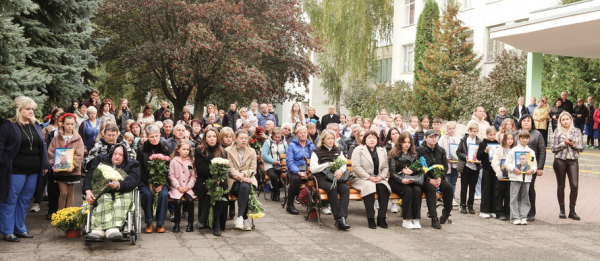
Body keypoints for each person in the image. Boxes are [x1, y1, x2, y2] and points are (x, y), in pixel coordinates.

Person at [0, 96, 50, 242]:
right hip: (15, 170)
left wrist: (45, 164)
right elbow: (1, 147)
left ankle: (19, 228)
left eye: (32, 109)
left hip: (33, 171)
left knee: (24, 200)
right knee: (10, 200)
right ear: (19, 110)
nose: (31, 112)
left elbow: (42, 146)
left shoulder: (35, 124)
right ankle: (8, 231)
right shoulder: (8, 126)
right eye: (28, 109)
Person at [83, 144, 140, 241]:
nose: (117, 156)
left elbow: (133, 181)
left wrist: (119, 184)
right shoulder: (101, 160)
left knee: (121, 200)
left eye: (120, 154)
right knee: (103, 198)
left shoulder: (133, 164)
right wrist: (87, 191)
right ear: (111, 154)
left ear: (125, 156)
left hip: (122, 191)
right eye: (115, 153)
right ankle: (98, 230)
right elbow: (90, 176)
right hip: (103, 192)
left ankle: (113, 229)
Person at [310, 129, 350, 230]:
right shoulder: (316, 152)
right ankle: (337, 219)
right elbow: (313, 169)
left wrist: (341, 170)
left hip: (336, 177)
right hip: (322, 178)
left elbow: (344, 164)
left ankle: (342, 217)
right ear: (323, 140)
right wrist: (326, 164)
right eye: (328, 139)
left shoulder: (338, 150)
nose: (331, 141)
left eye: (332, 138)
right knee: (333, 188)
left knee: (345, 189)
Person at [350, 130, 391, 229]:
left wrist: (381, 177)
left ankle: (381, 218)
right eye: (369, 137)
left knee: (384, 187)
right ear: (365, 139)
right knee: (369, 186)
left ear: (377, 140)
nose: (372, 140)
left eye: (374, 138)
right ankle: (371, 218)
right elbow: (356, 166)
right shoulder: (358, 149)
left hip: (378, 178)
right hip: (361, 178)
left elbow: (386, 167)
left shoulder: (382, 150)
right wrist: (369, 178)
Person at [136, 124, 170, 233]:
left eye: (156, 136)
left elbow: (167, 169)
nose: (154, 139)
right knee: (147, 194)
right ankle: (149, 222)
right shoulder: (141, 150)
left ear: (160, 135)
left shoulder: (164, 148)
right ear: (147, 137)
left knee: (163, 194)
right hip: (145, 181)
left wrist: (161, 183)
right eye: (151, 137)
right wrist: (149, 182)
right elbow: (140, 169)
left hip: (162, 181)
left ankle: (160, 223)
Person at [194, 127, 228, 236]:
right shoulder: (200, 150)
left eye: (214, 136)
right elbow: (201, 169)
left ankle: (207, 219)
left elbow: (225, 169)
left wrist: (219, 178)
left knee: (219, 190)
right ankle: (216, 224)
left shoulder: (222, 151)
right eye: (209, 136)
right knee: (211, 188)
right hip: (204, 180)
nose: (212, 139)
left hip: (220, 180)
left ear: (217, 138)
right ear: (205, 139)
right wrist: (215, 175)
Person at [416, 130, 453, 229]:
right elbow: (419, 168)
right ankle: (434, 217)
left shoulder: (441, 150)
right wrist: (429, 179)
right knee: (431, 189)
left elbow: (445, 166)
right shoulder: (420, 150)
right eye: (431, 137)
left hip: (438, 177)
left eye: (435, 137)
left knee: (448, 188)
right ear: (426, 137)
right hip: (425, 179)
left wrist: (440, 178)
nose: (433, 139)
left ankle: (446, 212)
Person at [47, 114, 84, 210]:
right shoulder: (57, 137)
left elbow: (79, 154)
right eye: (67, 124)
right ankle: (61, 214)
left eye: (72, 124)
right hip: (60, 171)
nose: (69, 126)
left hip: (72, 170)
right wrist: (53, 163)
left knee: (70, 192)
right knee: (63, 193)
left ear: (74, 124)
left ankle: (68, 214)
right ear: (63, 124)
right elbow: (51, 151)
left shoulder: (78, 138)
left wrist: (73, 165)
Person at [551, 112, 584, 220]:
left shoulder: (577, 131)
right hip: (560, 160)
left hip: (573, 160)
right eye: (563, 119)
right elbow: (553, 148)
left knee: (574, 186)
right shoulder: (557, 131)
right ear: (560, 121)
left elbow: (581, 148)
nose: (565, 121)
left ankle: (572, 210)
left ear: (571, 119)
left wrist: (572, 144)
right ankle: (562, 210)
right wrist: (563, 144)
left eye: (567, 119)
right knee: (561, 185)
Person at [389, 131, 423, 229]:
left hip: (411, 179)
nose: (407, 144)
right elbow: (393, 172)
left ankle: (416, 218)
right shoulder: (394, 154)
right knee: (408, 191)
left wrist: (411, 171)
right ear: (400, 142)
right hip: (396, 180)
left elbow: (418, 169)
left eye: (409, 142)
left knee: (417, 190)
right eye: (405, 142)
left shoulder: (414, 154)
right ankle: (407, 219)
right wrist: (401, 180)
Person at [225, 129, 257, 231]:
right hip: (233, 180)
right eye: (241, 138)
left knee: (245, 187)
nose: (244, 140)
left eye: (246, 138)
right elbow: (229, 167)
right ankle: (245, 218)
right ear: (236, 139)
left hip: (247, 178)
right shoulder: (228, 151)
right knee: (245, 189)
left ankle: (240, 217)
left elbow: (253, 168)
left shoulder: (252, 151)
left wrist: (243, 174)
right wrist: (237, 175)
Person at [516, 114, 546, 222]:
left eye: (528, 121)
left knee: (530, 188)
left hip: (531, 167)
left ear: (532, 122)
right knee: (517, 188)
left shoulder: (537, 134)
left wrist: (540, 167)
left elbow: (542, 151)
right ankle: (518, 211)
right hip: (517, 167)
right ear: (520, 122)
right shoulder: (516, 134)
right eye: (524, 121)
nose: (526, 122)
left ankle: (531, 212)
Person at [505, 130, 537, 225]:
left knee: (525, 196)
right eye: (522, 138)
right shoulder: (513, 150)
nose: (524, 140)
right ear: (518, 138)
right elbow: (507, 163)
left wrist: (532, 170)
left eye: (526, 138)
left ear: (529, 139)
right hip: (516, 177)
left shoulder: (531, 152)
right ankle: (515, 217)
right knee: (514, 196)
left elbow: (534, 164)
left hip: (526, 177)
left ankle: (523, 216)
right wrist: (513, 169)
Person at [285, 126, 315, 215]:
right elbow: (290, 162)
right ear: (297, 135)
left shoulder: (311, 145)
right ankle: (289, 205)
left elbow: (314, 160)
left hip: (308, 170)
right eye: (301, 133)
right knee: (296, 179)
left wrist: (308, 172)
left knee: (317, 179)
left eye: (304, 133)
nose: (303, 134)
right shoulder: (292, 145)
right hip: (295, 170)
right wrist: (298, 172)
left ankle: (314, 204)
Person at [169, 141, 196, 232]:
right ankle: (176, 224)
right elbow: (171, 176)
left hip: (188, 188)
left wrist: (189, 186)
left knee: (190, 200)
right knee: (177, 201)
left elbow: (193, 176)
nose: (186, 151)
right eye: (184, 149)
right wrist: (178, 186)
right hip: (177, 187)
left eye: (188, 150)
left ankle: (190, 224)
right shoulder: (173, 161)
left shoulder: (191, 161)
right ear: (178, 150)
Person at [456, 122, 481, 215]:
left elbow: (481, 154)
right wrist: (465, 157)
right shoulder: (463, 140)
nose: (473, 133)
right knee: (464, 187)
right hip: (466, 166)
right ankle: (462, 205)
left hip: (475, 167)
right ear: (468, 131)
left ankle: (470, 205)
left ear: (477, 131)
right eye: (471, 131)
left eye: (475, 131)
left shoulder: (479, 141)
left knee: (472, 187)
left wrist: (479, 158)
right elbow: (458, 151)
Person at [491, 132, 515, 221]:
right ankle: (500, 212)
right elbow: (495, 163)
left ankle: (508, 212)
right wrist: (499, 174)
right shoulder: (499, 149)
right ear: (504, 140)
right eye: (508, 139)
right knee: (499, 194)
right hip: (501, 176)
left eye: (511, 139)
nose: (510, 141)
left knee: (509, 194)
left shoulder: (514, 149)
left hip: (511, 176)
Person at [476, 127, 498, 219]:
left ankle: (492, 210)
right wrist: (485, 151)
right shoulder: (483, 143)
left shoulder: (497, 143)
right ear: (487, 134)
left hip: (495, 170)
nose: (492, 136)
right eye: (490, 135)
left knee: (494, 189)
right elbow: (478, 157)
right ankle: (484, 210)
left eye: (493, 134)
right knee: (486, 189)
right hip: (486, 169)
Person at [438, 121, 460, 206]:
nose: (451, 130)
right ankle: (447, 198)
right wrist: (446, 157)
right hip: (447, 164)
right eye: (449, 129)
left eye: (453, 128)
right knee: (448, 181)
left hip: (455, 163)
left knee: (454, 181)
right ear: (446, 129)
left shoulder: (458, 137)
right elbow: (440, 149)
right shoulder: (444, 138)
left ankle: (453, 197)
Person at [261, 127, 287, 202]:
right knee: (273, 176)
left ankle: (275, 188)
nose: (277, 139)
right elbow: (264, 155)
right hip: (270, 164)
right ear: (272, 136)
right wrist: (273, 161)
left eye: (279, 137)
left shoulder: (285, 143)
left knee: (286, 176)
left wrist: (283, 161)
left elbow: (288, 154)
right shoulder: (267, 142)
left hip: (281, 164)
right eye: (275, 137)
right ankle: (276, 192)